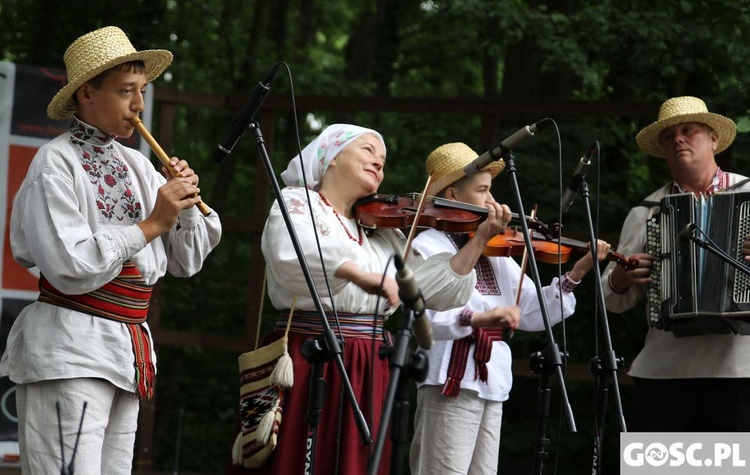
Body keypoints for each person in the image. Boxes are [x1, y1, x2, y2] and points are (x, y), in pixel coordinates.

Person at [0, 26, 222, 473]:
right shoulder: (55, 162)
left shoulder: (139, 165)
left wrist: (188, 206)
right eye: (125, 91)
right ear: (85, 93)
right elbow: (70, 264)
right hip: (70, 350)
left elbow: (185, 262)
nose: (139, 105)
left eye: (142, 91)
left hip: (125, 353)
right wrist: (153, 223)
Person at [237, 124, 512, 475]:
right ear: (331, 156)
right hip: (313, 350)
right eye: (368, 151)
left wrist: (478, 240)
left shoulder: (382, 229)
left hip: (369, 356)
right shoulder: (298, 202)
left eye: (383, 161)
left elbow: (425, 289)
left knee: (359, 461)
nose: (378, 164)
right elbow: (293, 252)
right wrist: (362, 275)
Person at [408, 142, 611, 475]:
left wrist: (577, 272)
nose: (492, 201)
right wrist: (480, 318)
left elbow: (532, 312)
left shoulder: (496, 250)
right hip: (449, 376)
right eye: (483, 190)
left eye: (491, 190)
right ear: (453, 195)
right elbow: (427, 319)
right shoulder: (428, 244)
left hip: (490, 379)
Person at [602, 95, 750, 431]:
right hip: (664, 374)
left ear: (714, 139)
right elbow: (610, 299)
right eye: (669, 136)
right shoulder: (647, 210)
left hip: (738, 372)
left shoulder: (749, 193)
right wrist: (623, 278)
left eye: (688, 130)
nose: (678, 139)